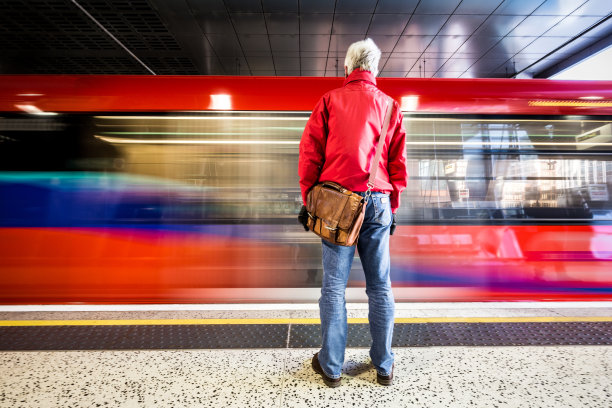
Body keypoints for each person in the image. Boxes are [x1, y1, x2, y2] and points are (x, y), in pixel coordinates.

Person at [297, 38, 408, 387]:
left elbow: (310, 155)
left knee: (333, 286)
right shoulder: (391, 106)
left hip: (339, 205)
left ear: (347, 68)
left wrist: (309, 199)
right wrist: (392, 205)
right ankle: (384, 365)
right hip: (379, 201)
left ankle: (331, 367)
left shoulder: (329, 101)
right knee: (380, 286)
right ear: (375, 69)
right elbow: (397, 162)